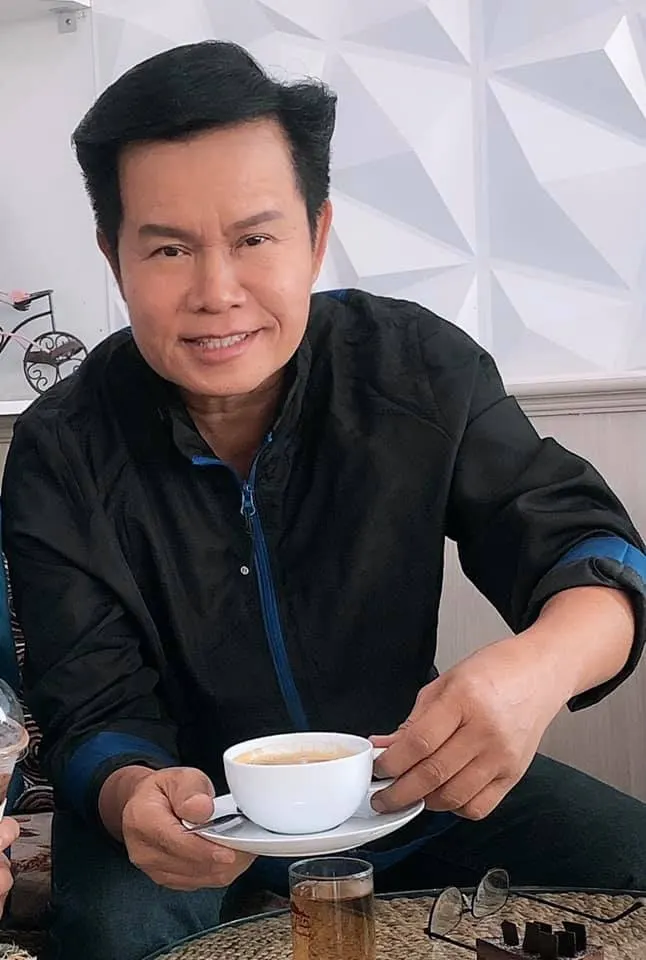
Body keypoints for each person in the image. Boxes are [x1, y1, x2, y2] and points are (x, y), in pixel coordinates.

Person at [2, 41, 646, 960]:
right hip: (189, 818)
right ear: (114, 256)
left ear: (316, 233)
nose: (217, 293)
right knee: (115, 937)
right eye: (170, 248)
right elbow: (89, 701)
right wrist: (130, 791)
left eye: (255, 239)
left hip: (403, 787)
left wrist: (539, 669)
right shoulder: (60, 447)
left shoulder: (415, 368)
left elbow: (582, 543)